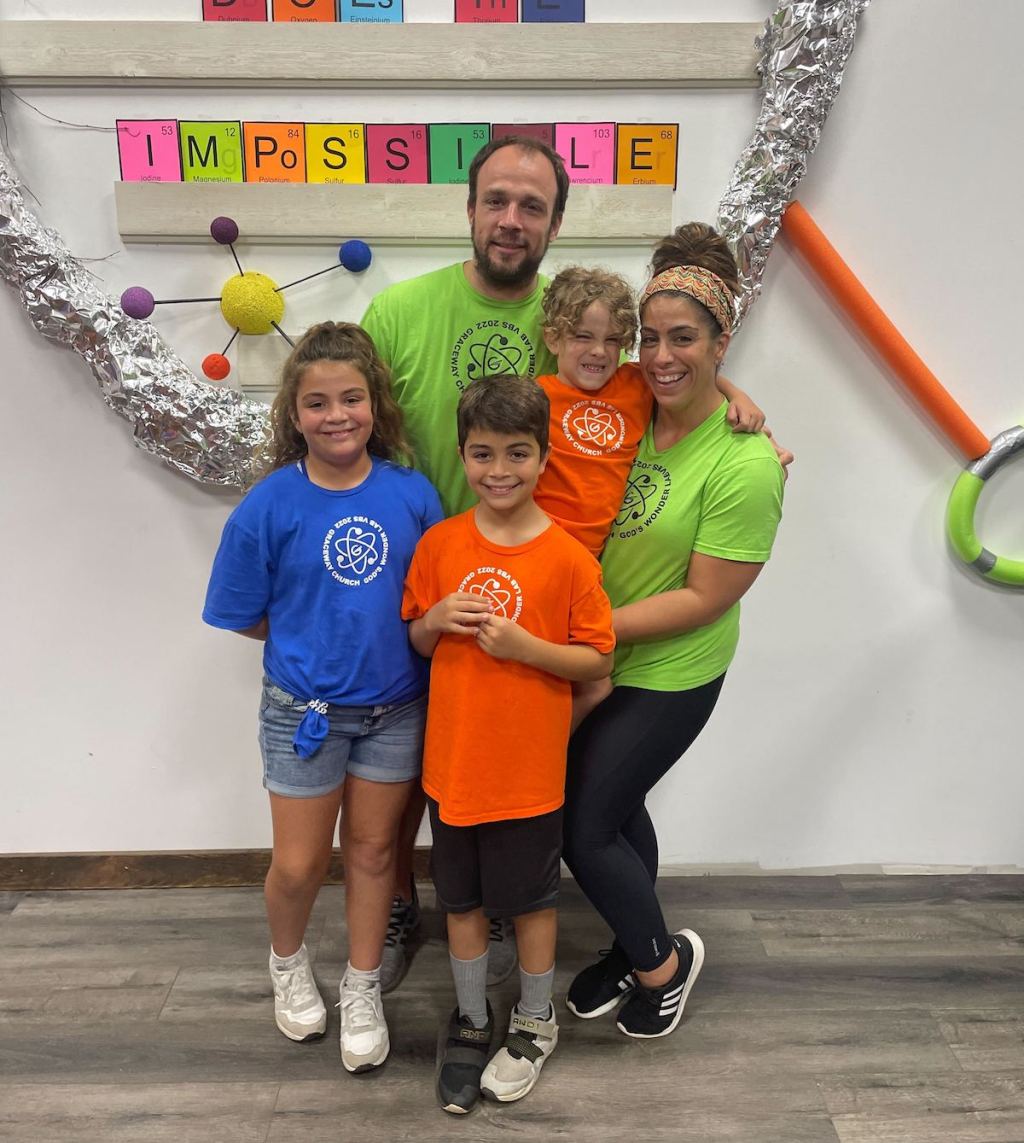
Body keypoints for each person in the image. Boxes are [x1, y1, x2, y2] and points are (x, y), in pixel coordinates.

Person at [360, 135, 770, 990]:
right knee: (431, 771)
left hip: (564, 605)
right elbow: (347, 416)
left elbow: (664, 362)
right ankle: (418, 903)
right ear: (470, 208)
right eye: (498, 200)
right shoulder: (405, 312)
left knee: (563, 787)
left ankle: (586, 932)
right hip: (446, 581)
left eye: (533, 205)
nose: (512, 219)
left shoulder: (587, 323)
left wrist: (738, 397)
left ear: (554, 222)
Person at [561, 223, 785, 1040]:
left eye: (683, 338)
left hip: (672, 666)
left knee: (581, 824)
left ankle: (664, 961)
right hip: (603, 652)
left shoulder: (746, 462)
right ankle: (631, 940)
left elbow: (704, 598)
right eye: (649, 337)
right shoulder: (627, 403)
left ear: (721, 341)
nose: (659, 355)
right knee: (614, 810)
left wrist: (581, 627)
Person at [202, 322, 442, 1073]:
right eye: (317, 403)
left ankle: (362, 985)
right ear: (293, 413)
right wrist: (311, 637)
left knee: (374, 853)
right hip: (302, 713)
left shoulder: (412, 494)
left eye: (351, 398)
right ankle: (287, 961)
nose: (336, 415)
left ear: (376, 404)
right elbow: (244, 613)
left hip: (396, 709)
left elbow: (428, 597)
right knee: (301, 864)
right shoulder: (269, 505)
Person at [401, 375, 616, 1113]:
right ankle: (470, 1016)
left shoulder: (568, 560)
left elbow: (597, 664)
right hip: (452, 768)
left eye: (518, 453)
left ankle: (534, 1019)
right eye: (483, 453)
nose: (500, 470)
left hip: (527, 775)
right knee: (459, 900)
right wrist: (433, 621)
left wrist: (527, 646)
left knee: (529, 903)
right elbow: (416, 638)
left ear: (545, 456)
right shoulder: (439, 544)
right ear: (462, 455)